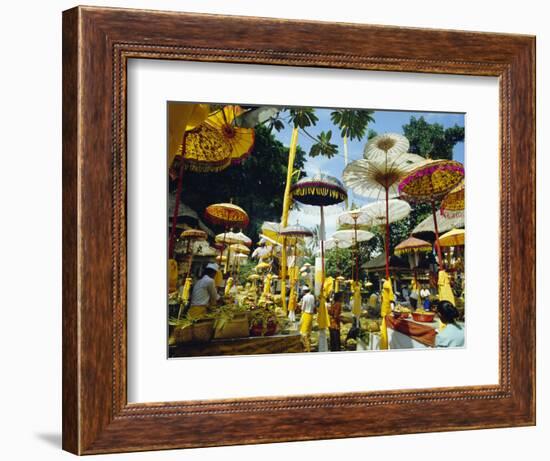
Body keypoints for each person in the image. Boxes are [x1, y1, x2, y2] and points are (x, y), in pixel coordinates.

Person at [299, 286, 316, 352]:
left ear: (304, 291)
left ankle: (307, 348)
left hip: (306, 314)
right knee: (308, 332)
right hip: (311, 315)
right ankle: (308, 347)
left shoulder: (305, 297)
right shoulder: (312, 296)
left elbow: (302, 308)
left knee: (304, 333)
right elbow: (313, 305)